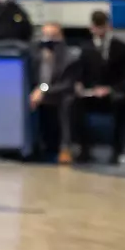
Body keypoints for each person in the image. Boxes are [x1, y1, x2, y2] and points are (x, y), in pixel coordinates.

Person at [73, 10, 125, 162]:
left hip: (113, 93)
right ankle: (83, 148)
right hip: (92, 94)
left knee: (122, 103)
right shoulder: (85, 49)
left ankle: (117, 150)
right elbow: (80, 74)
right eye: (96, 27)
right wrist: (81, 86)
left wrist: (110, 89)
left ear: (108, 26)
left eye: (102, 26)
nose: (99, 31)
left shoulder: (122, 48)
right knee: (73, 102)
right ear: (91, 27)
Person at [29, 22, 78, 162]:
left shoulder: (70, 57)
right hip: (37, 93)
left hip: (58, 94)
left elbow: (67, 84)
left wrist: (43, 90)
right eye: (46, 35)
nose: (49, 40)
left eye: (53, 36)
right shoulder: (35, 55)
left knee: (68, 101)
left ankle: (65, 147)